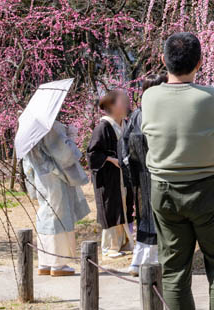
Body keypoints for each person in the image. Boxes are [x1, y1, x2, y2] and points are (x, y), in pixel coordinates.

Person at [142, 32, 214, 310]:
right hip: (209, 188)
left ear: (163, 60)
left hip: (164, 190)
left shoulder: (149, 97)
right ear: (200, 62)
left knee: (174, 270)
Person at [22, 118, 90, 276]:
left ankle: (45, 262)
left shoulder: (28, 125)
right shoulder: (50, 125)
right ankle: (58, 264)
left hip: (40, 175)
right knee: (59, 215)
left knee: (46, 213)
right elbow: (64, 154)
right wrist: (70, 137)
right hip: (55, 176)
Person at [122, 72, 167, 276]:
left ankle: (138, 262)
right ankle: (154, 261)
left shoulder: (136, 114)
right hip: (157, 172)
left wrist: (129, 164)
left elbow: (124, 143)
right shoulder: (159, 113)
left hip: (140, 174)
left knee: (144, 215)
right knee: (156, 215)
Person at [87, 89, 134, 258]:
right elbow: (92, 153)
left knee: (126, 206)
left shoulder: (125, 123)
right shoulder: (103, 126)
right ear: (112, 106)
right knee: (111, 207)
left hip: (123, 174)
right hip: (109, 176)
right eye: (122, 101)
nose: (126, 104)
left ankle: (124, 242)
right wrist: (109, 158)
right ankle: (110, 247)